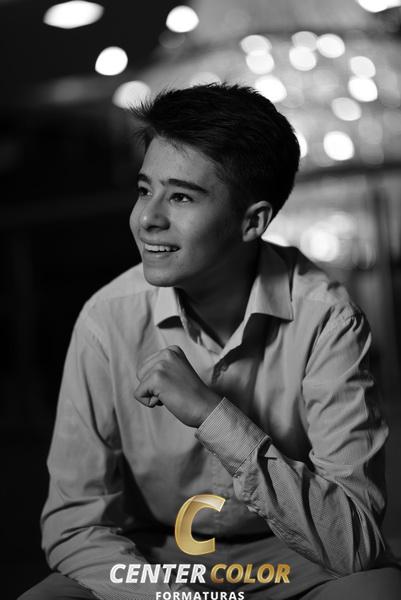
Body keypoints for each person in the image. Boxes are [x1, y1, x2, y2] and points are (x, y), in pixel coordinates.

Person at [20, 83, 401, 600]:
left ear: (253, 221)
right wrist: (163, 596)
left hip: (293, 558)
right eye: (144, 189)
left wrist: (212, 415)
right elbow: (74, 526)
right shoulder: (106, 320)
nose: (147, 218)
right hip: (154, 561)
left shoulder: (326, 318)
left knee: (378, 589)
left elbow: (355, 544)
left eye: (180, 196)